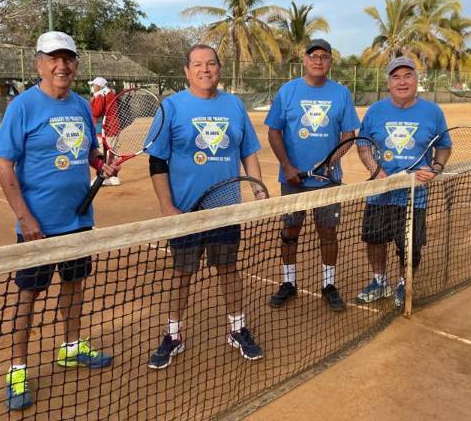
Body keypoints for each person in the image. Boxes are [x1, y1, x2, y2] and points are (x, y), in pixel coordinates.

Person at [0, 31, 119, 410]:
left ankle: (71, 347)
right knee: (28, 297)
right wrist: (25, 218)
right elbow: (2, 163)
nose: (61, 66)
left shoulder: (80, 105)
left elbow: (90, 150)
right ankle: (17, 370)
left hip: (79, 220)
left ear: (76, 64)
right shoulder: (23, 107)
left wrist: (100, 163)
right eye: (53, 59)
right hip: (37, 227)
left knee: (75, 286)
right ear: (39, 64)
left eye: (68, 59)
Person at [145, 44, 265, 369]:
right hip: (185, 213)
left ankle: (237, 329)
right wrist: (168, 207)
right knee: (182, 273)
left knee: (228, 270)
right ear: (187, 71)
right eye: (197, 64)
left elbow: (248, 151)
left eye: (210, 63)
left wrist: (258, 190)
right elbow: (157, 162)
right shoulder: (171, 107)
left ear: (219, 68)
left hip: (225, 211)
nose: (205, 69)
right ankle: (173, 334)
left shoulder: (234, 105)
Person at [264, 39, 361, 312]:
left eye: (324, 56)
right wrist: (286, 166)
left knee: (328, 232)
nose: (318, 60)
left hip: (328, 182)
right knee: (289, 231)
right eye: (313, 55)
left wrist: (332, 161)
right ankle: (288, 283)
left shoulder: (341, 94)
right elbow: (274, 131)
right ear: (304, 60)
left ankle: (329, 285)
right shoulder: (288, 91)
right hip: (292, 181)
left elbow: (348, 135)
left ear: (330, 62)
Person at [355, 56, 451, 308]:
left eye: (407, 76)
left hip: (414, 194)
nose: (402, 82)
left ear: (416, 80)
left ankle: (402, 282)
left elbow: (444, 146)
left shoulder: (433, 112)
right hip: (380, 191)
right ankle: (379, 280)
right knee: (374, 239)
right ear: (388, 83)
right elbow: (363, 144)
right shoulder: (375, 111)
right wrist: (375, 170)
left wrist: (437, 167)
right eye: (395, 77)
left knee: (409, 245)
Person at [88, 76, 121, 186]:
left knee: (104, 154)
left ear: (98, 86)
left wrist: (92, 101)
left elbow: (96, 112)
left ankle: (103, 177)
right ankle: (112, 177)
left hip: (106, 128)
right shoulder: (109, 93)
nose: (92, 87)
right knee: (110, 154)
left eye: (93, 85)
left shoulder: (100, 95)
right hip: (111, 127)